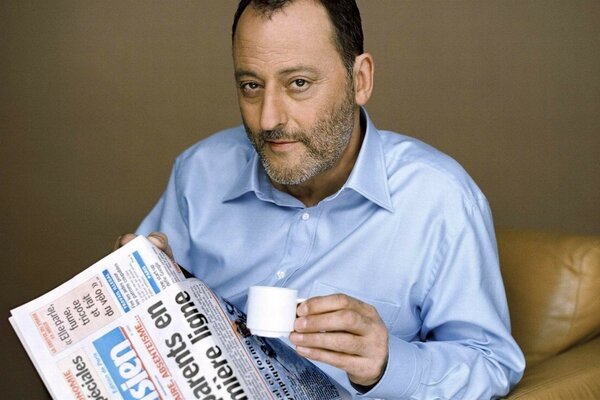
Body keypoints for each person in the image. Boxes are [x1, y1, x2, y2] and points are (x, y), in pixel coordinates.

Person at [117, 0, 525, 398]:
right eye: (252, 86)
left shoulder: (439, 198)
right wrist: (133, 286)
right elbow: (129, 334)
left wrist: (386, 364)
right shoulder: (200, 171)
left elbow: (492, 362)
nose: (269, 119)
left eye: (299, 83)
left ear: (360, 79)